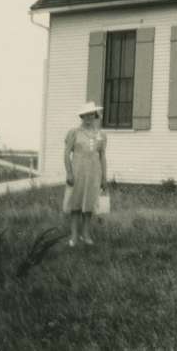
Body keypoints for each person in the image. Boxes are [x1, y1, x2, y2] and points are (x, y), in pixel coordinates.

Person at [63, 101, 108, 246]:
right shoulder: (74, 133)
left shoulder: (101, 135)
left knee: (89, 205)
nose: (89, 118)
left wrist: (104, 177)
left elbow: (102, 156)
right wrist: (69, 173)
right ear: (82, 117)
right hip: (78, 173)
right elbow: (66, 153)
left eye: (92, 115)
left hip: (94, 173)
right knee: (75, 204)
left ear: (95, 116)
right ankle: (74, 236)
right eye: (86, 115)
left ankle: (86, 234)